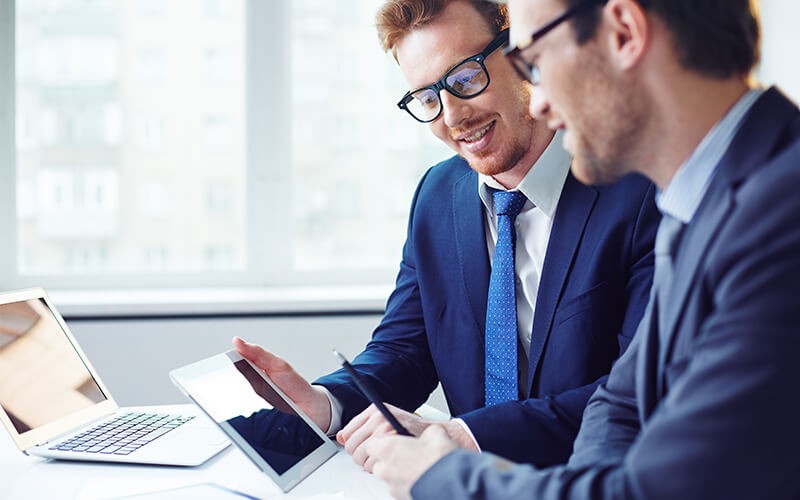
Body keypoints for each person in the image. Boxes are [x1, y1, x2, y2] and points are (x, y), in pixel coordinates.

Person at [365, 0, 800, 498]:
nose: (540, 102)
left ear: (623, 33)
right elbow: (622, 404)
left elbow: (652, 490)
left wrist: (440, 478)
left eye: (536, 63)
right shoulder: (701, 201)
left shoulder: (781, 220)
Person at [235, 0, 658, 469]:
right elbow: (404, 350)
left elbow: (643, 390)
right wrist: (323, 404)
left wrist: (463, 435)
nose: (453, 116)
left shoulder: (638, 188)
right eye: (427, 98)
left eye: (465, 78)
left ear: (520, 51)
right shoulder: (439, 195)